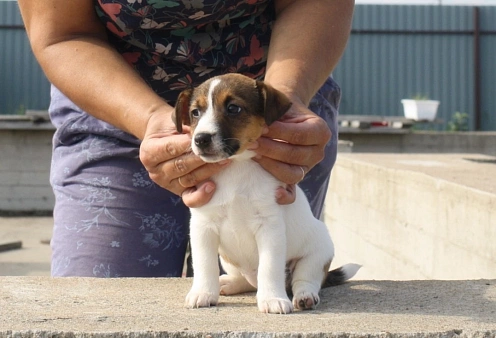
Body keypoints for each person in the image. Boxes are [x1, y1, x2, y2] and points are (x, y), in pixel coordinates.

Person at [18, 0, 354, 277]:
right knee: (102, 300)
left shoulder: (274, 106)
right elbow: (61, 33)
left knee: (264, 289)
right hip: (111, 98)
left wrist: (285, 98)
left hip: (272, 104)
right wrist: (150, 118)